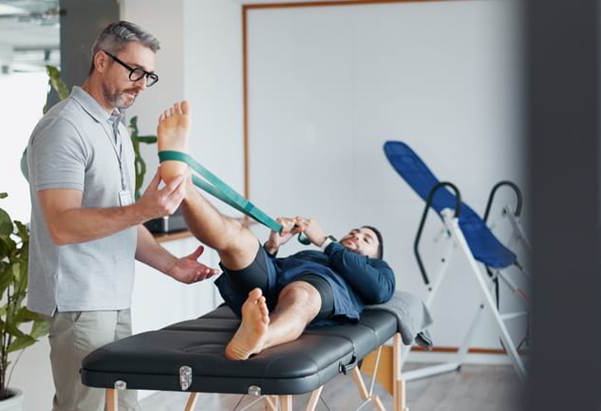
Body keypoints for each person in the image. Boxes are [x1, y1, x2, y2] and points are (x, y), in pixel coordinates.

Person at [26, 22, 217, 411]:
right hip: (80, 302)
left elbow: (123, 220)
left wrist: (171, 265)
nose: (142, 84)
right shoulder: (65, 128)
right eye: (134, 71)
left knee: (125, 407)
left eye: (148, 75)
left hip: (114, 298)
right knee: (86, 407)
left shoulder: (114, 130)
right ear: (101, 60)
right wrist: (144, 209)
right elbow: (62, 224)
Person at [155, 100, 396, 360]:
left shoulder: (377, 271)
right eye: (355, 232)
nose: (356, 236)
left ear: (375, 256)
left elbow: (378, 291)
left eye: (366, 239)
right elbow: (267, 262)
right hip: (269, 285)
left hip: (314, 290)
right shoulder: (317, 255)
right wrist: (272, 246)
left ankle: (258, 339)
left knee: (300, 294)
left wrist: (325, 241)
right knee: (239, 238)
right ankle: (183, 185)